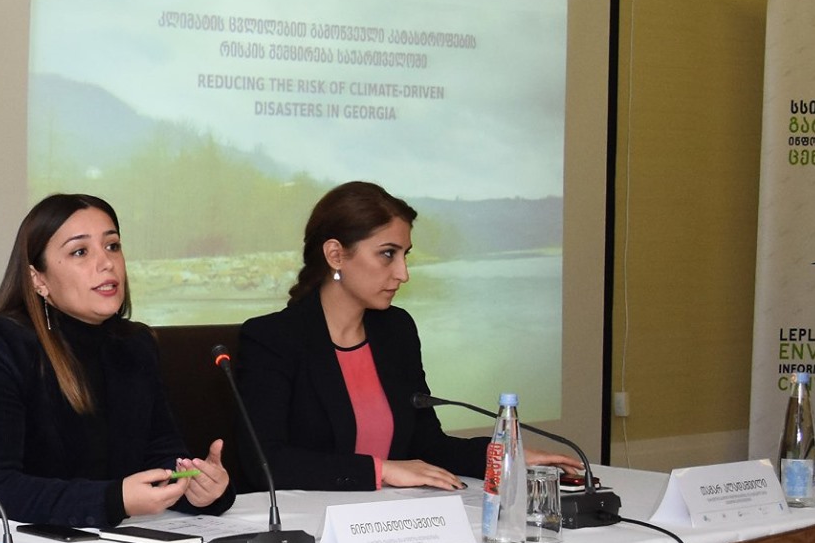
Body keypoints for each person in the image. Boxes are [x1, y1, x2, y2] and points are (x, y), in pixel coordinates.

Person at [235, 180, 575, 491]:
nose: (403, 273)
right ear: (335, 255)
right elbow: (265, 462)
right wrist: (380, 470)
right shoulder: (273, 339)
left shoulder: (395, 330)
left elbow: (427, 446)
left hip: (391, 520)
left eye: (405, 255)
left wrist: (501, 456)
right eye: (388, 254)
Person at [0, 193, 231, 527]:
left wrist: (199, 488)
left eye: (112, 246)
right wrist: (113, 499)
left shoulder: (134, 344)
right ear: (38, 278)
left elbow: (162, 457)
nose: (106, 263)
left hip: (101, 541)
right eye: (80, 251)